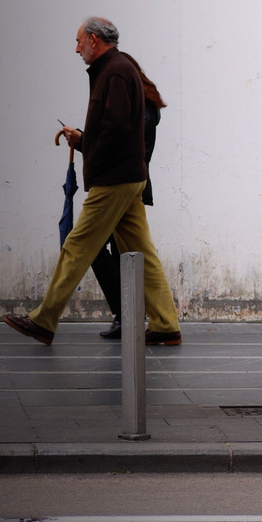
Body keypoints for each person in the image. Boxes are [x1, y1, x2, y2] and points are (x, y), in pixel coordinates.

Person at [5, 17, 182, 347]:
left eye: (78, 42)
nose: (76, 49)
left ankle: (43, 320)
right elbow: (116, 129)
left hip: (114, 179)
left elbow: (115, 129)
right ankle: (165, 325)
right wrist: (84, 140)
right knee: (142, 252)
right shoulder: (121, 66)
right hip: (129, 178)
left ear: (93, 40)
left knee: (76, 246)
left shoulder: (114, 71)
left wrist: (91, 153)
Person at [91, 54, 166, 340]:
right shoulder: (141, 105)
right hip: (124, 185)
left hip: (124, 187)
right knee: (120, 252)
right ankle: (131, 315)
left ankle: (129, 314)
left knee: (101, 249)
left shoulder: (143, 108)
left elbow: (127, 148)